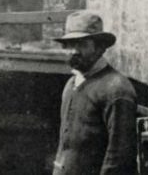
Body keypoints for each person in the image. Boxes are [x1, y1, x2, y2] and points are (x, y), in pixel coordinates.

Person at [52, 11, 137, 175]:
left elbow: (119, 158)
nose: (74, 51)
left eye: (82, 44)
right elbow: (65, 145)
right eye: (70, 44)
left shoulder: (116, 89)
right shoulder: (71, 85)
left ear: (100, 47)